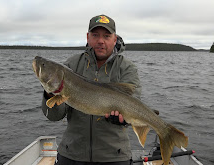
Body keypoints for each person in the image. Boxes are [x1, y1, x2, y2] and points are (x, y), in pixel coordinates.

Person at [41, 14, 141, 165]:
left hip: (115, 156)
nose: (100, 41)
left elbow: (134, 106)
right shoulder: (71, 65)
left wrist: (123, 120)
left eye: (106, 36)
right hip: (72, 153)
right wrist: (50, 94)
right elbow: (54, 116)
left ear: (115, 39)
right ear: (88, 37)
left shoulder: (127, 68)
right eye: (95, 35)